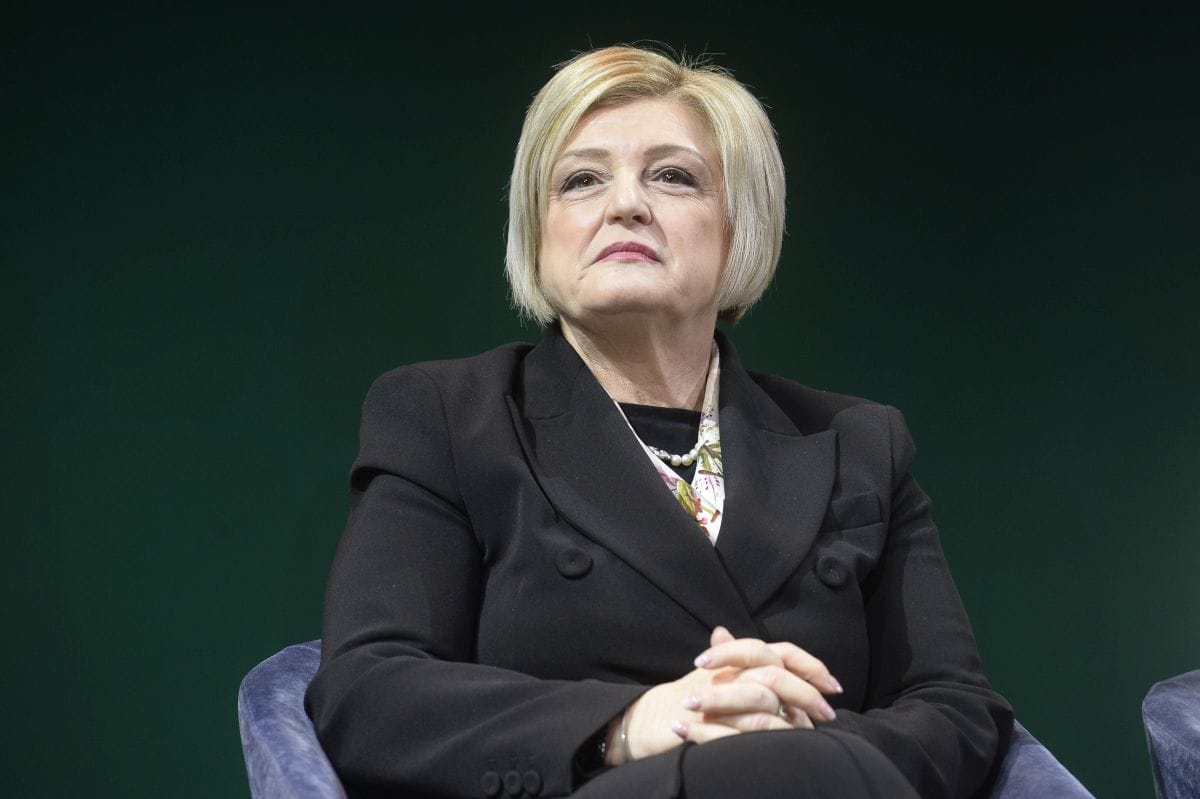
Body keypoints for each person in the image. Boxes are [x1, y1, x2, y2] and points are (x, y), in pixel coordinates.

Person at [305, 44, 1013, 799]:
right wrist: (632, 724)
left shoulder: (861, 443)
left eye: (673, 176)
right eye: (581, 180)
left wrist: (795, 741)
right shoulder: (447, 416)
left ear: (739, 227)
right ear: (538, 235)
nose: (626, 205)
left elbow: (957, 709)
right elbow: (368, 694)